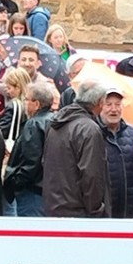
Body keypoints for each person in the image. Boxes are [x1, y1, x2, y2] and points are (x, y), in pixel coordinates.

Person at [42, 79, 109, 218]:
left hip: (53, 204)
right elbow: (91, 175)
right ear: (100, 102)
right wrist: (95, 209)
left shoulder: (57, 122)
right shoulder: (89, 129)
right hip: (77, 210)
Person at [4, 79, 55, 217]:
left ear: (37, 104)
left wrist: (16, 182)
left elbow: (31, 162)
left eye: (27, 99)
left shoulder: (34, 124)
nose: (24, 103)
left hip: (32, 192)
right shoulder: (55, 120)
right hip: (49, 190)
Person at [100, 85, 133, 219]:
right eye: (108, 104)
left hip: (128, 210)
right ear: (100, 106)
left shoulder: (131, 132)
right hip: (101, 212)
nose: (114, 109)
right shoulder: (93, 132)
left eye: (118, 104)